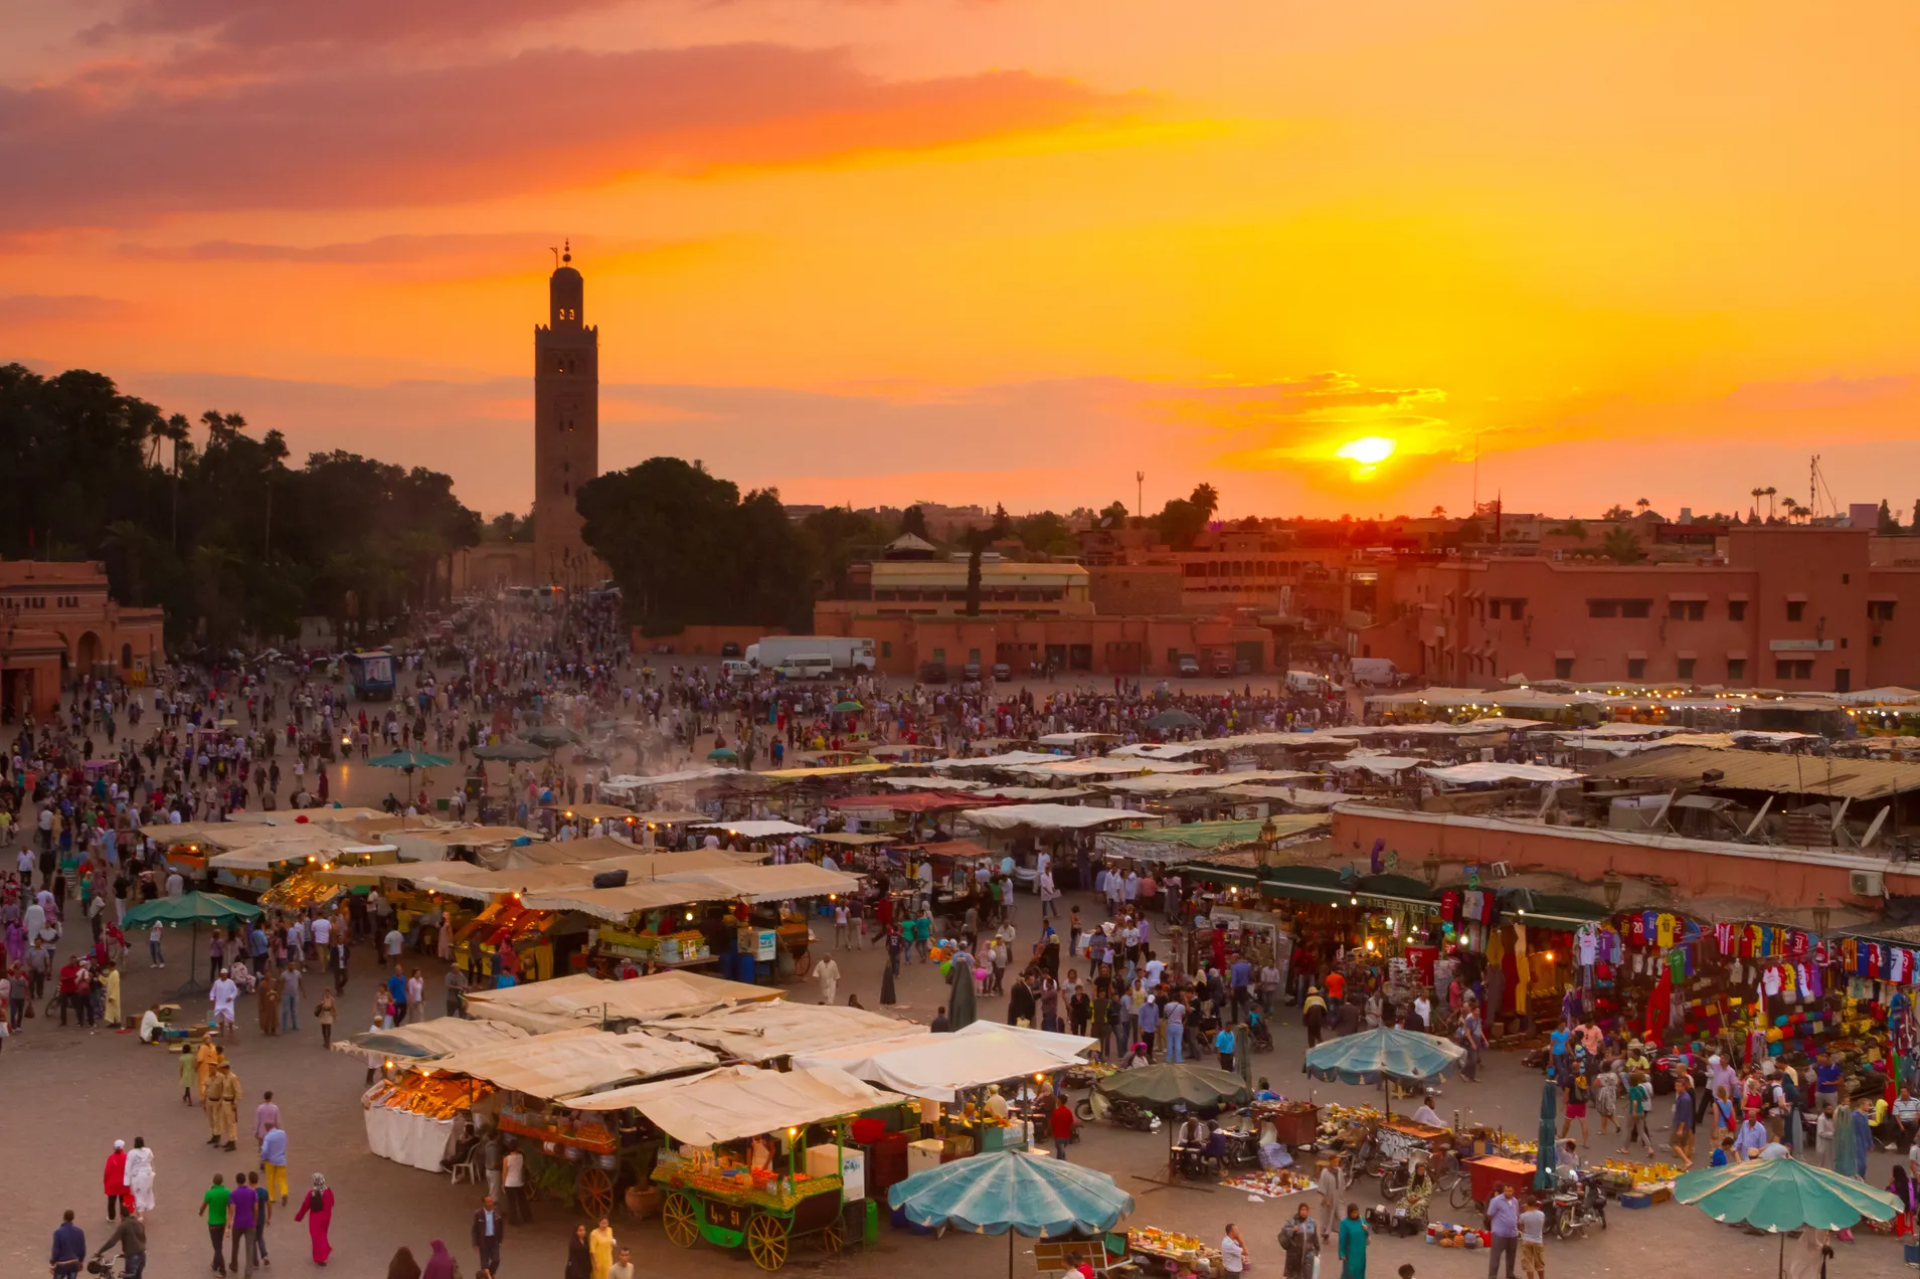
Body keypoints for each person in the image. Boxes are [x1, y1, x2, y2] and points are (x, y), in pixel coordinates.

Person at [93, 1207, 147, 1279]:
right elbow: (143, 1239)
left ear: (121, 1215)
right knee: (137, 1276)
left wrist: (99, 1252)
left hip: (132, 1257)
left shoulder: (124, 1225)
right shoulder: (138, 1223)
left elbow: (112, 1241)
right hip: (142, 1255)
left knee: (129, 1276)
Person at [294, 1173, 334, 1266]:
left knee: (317, 1237)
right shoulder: (328, 1191)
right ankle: (325, 1252)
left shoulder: (312, 1193)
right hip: (327, 1216)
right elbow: (332, 1202)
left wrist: (298, 1217)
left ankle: (322, 1258)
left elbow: (305, 1206)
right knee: (323, 1235)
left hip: (316, 1219)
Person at [200, 1173, 232, 1276]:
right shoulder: (227, 1192)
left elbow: (203, 1206)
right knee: (218, 1245)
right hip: (222, 1222)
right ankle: (215, 1264)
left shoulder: (210, 1193)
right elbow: (229, 1207)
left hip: (213, 1223)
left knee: (217, 1247)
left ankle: (222, 1270)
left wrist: (200, 1213)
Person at [1486, 1183, 1520, 1279]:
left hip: (1512, 1233)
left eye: (1510, 1191)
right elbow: (1489, 1214)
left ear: (1513, 1191)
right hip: (1499, 1234)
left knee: (1511, 1256)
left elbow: (1516, 1215)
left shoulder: (1515, 1202)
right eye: (1506, 1191)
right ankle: (1492, 1276)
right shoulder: (1496, 1201)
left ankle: (1510, 1274)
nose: (1507, 1193)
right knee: (1495, 1257)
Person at [1279, 1202, 1321, 1279]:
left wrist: (1317, 1250)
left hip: (1308, 1254)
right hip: (1295, 1255)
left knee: (1307, 1275)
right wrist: (1292, 1230)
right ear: (1299, 1210)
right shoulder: (1293, 1221)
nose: (1304, 1212)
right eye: (1302, 1210)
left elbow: (1315, 1237)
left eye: (1305, 1210)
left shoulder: (1312, 1222)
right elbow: (1284, 1231)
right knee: (1294, 1276)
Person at [472, 1193, 506, 1276]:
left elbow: (501, 1227)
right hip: (483, 1241)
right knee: (484, 1265)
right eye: (488, 1202)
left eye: (491, 1201)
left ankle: (489, 1274)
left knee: (496, 1260)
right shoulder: (478, 1214)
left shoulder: (497, 1213)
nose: (491, 1204)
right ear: (484, 1203)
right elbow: (475, 1229)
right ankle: (487, 1275)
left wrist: (500, 1240)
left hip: (494, 1240)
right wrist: (475, 1243)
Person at [50, 1209, 86, 1279]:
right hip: (74, 1263)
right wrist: (81, 1261)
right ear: (73, 1218)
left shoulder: (58, 1233)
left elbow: (56, 1250)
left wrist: (52, 1263)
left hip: (61, 1265)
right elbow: (82, 1249)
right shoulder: (79, 1232)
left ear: (64, 1218)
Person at [260, 1119, 290, 1205]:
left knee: (270, 1179)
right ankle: (284, 1193)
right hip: (281, 1160)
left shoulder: (268, 1137)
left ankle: (271, 1197)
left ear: (266, 1128)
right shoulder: (282, 1133)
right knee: (282, 1179)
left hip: (270, 1161)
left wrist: (263, 1158)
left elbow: (264, 1150)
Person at [1336, 1202, 1369, 1279]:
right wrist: (1341, 1253)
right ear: (1349, 1213)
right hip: (1350, 1252)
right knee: (1350, 1271)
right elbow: (1342, 1239)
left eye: (1357, 1212)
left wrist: (1366, 1230)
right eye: (1353, 1213)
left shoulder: (1361, 1220)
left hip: (1361, 1252)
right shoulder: (1345, 1223)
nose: (1355, 1214)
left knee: (1360, 1270)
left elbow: (1367, 1234)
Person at [1517, 1197, 1546, 1279]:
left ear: (1527, 1204)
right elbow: (1542, 1227)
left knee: (1528, 1264)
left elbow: (1521, 1227)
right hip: (1538, 1240)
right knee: (1540, 1263)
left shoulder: (1523, 1216)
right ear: (1535, 1203)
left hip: (1527, 1240)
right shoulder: (1541, 1214)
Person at [126, 1137, 156, 1214]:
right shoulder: (148, 1150)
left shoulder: (131, 1153)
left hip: (137, 1176)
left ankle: (140, 1213)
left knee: (138, 1194)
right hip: (147, 1175)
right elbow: (151, 1159)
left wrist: (126, 1181)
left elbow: (128, 1166)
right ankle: (145, 1207)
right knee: (146, 1192)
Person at [104, 1139, 129, 1220]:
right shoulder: (126, 1157)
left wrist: (105, 1181)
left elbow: (107, 1172)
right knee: (123, 1201)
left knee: (111, 1202)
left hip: (112, 1183)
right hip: (123, 1183)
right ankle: (124, 1216)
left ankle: (111, 1217)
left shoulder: (111, 1158)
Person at [1051, 1095, 1077, 1160]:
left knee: (1060, 1152)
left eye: (1057, 1100)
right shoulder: (1068, 1111)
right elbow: (1071, 1124)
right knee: (1061, 1150)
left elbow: (1051, 1123)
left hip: (1058, 1136)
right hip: (1066, 1136)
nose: (1056, 1101)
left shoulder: (1056, 1112)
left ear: (1059, 1101)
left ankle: (1061, 1164)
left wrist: (1050, 1132)